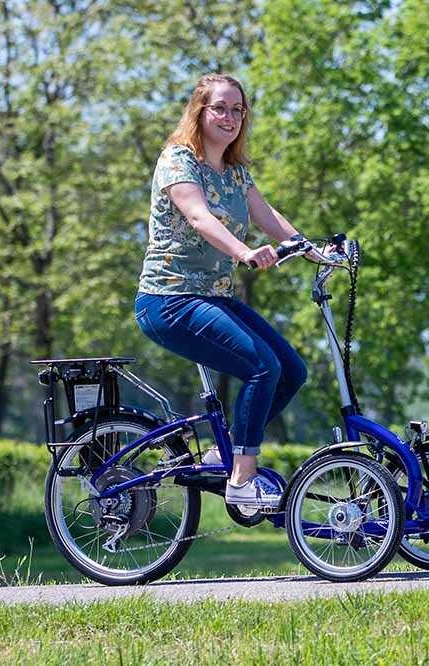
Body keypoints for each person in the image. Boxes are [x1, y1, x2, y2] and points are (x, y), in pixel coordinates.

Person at [134, 73, 308, 508]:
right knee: (262, 367)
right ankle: (242, 480)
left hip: (214, 297)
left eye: (237, 110)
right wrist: (243, 251)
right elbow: (199, 217)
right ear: (200, 111)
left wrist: (312, 249)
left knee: (291, 371)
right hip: (169, 300)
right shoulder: (178, 160)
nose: (230, 117)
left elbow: (268, 216)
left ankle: (221, 452)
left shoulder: (235, 173)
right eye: (220, 108)